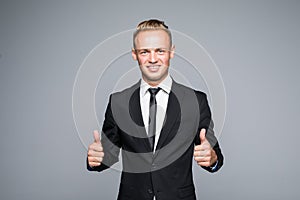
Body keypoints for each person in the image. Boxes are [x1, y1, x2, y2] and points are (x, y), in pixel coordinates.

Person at [87, 19, 224, 200]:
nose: (153, 59)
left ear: (171, 52)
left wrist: (211, 158)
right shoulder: (118, 102)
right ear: (135, 54)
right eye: (145, 52)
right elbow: (108, 156)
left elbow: (215, 157)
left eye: (160, 50)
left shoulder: (196, 101)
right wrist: (98, 158)